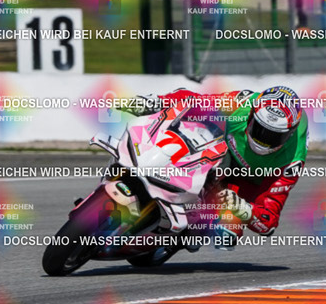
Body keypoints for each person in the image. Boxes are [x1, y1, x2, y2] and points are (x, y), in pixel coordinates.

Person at [120, 86, 308, 247]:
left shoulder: (292, 161)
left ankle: (188, 232)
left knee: (227, 233)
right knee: (189, 129)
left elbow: (268, 222)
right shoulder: (242, 103)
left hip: (253, 181)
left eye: (274, 136)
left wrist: (244, 209)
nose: (263, 141)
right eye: (259, 129)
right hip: (224, 152)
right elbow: (196, 101)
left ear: (290, 134)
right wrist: (157, 101)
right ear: (252, 115)